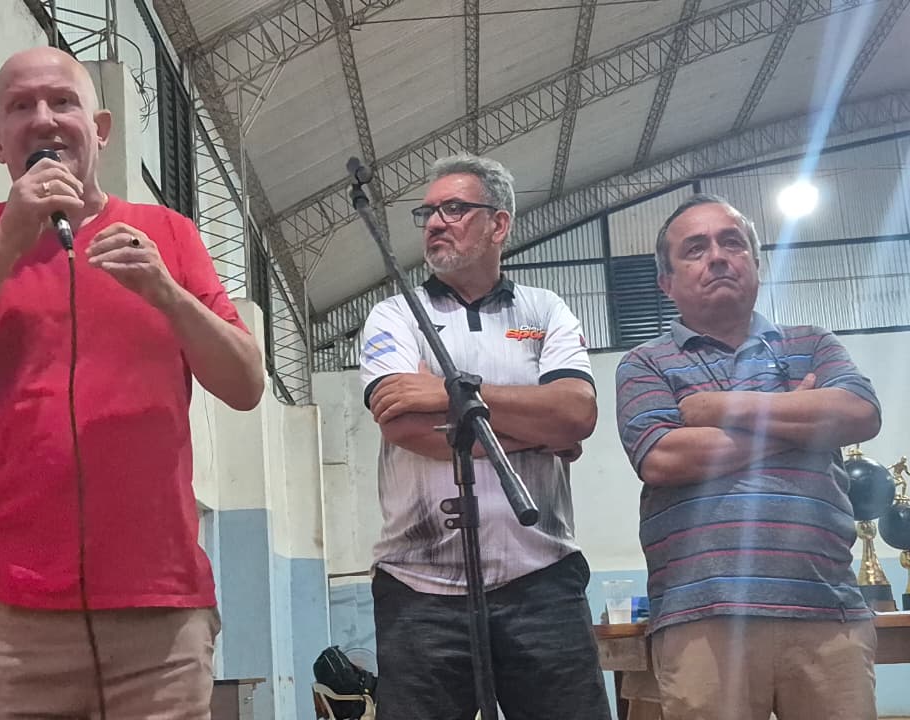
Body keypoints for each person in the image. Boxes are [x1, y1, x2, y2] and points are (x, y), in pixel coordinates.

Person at [0, 46, 264, 719]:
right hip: (0, 620)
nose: (44, 118)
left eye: (62, 101)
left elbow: (246, 383)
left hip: (158, 621)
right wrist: (6, 241)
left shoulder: (168, 237)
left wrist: (166, 292)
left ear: (101, 128)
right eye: (20, 106)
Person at [357, 153, 612, 720]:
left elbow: (575, 413)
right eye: (428, 212)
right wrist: (535, 433)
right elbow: (403, 423)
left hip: (542, 578)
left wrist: (448, 394)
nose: (434, 222)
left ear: (499, 224)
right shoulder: (395, 315)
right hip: (418, 585)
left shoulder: (543, 311)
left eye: (453, 208)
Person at [614, 193, 882, 720]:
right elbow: (663, 458)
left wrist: (719, 408)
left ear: (756, 263)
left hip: (827, 611)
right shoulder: (646, 363)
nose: (717, 256)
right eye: (695, 249)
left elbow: (859, 413)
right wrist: (799, 421)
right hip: (702, 617)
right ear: (666, 282)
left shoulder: (812, 343)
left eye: (731, 243)